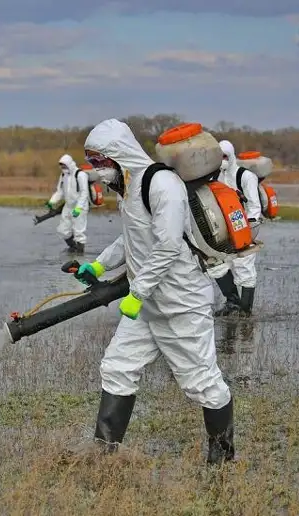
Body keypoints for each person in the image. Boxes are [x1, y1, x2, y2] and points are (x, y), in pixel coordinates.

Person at [73, 118, 235, 465]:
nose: (98, 172)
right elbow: (132, 237)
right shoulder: (131, 188)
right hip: (147, 306)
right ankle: (106, 456)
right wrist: (100, 265)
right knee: (117, 368)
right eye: (93, 164)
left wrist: (137, 292)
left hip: (180, 303)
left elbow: (168, 246)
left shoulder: (161, 184)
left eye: (101, 162)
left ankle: (221, 461)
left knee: (203, 384)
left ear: (119, 154)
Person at [208, 140, 262, 317]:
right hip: (222, 229)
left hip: (243, 228)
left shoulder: (246, 177)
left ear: (231, 156)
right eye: (219, 157)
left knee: (244, 267)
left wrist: (246, 231)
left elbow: (254, 207)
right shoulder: (215, 177)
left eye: (225, 157)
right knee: (216, 264)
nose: (222, 160)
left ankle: (245, 310)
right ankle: (232, 303)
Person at [46, 154, 90, 253]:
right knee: (63, 230)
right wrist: (51, 202)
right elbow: (60, 191)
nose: (63, 168)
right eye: (61, 166)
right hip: (68, 206)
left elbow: (84, 193)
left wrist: (79, 208)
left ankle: (79, 253)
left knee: (79, 231)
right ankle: (73, 248)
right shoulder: (63, 175)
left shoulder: (80, 175)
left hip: (80, 206)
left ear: (69, 164)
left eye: (64, 165)